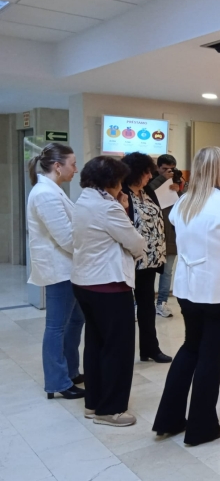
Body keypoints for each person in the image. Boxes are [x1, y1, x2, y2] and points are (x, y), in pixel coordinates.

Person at [153, 146, 220, 446]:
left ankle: (169, 420)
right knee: (211, 355)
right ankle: (202, 427)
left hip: (188, 289)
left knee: (191, 348)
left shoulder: (184, 202)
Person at [71, 156, 146, 427]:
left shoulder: (83, 200)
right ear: (113, 182)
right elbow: (136, 243)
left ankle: (94, 403)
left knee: (95, 344)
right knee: (118, 349)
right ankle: (111, 409)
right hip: (110, 286)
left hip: (84, 282)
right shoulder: (108, 208)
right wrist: (122, 210)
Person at [26, 143, 85, 400]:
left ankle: (70, 371)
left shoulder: (53, 191)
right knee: (56, 327)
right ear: (58, 166)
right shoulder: (45, 194)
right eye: (72, 164)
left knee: (76, 320)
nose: (76, 169)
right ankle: (57, 382)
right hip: (59, 269)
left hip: (69, 268)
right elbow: (66, 238)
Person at [121, 152, 172, 364]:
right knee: (125, 309)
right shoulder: (121, 194)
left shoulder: (147, 192)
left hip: (150, 259)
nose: (149, 177)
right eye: (146, 173)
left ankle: (150, 348)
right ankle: (123, 351)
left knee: (147, 306)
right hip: (129, 259)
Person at [146, 154, 183, 318]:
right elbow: (148, 193)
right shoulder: (149, 180)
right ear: (157, 168)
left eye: (171, 169)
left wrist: (179, 187)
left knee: (167, 272)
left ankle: (161, 303)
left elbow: (185, 202)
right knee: (148, 272)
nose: (169, 172)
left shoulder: (179, 180)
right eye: (164, 169)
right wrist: (162, 179)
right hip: (153, 234)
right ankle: (142, 304)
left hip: (171, 233)